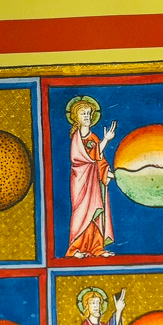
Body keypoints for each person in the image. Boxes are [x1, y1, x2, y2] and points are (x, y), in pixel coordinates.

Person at [65, 95, 117, 258]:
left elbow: (100, 160)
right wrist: (106, 140)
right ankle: (75, 249)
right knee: (82, 214)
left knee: (95, 214)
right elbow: (81, 158)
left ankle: (96, 248)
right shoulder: (76, 138)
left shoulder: (94, 138)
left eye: (89, 113)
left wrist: (107, 172)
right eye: (83, 114)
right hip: (81, 181)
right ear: (76, 117)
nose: (87, 117)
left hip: (94, 182)